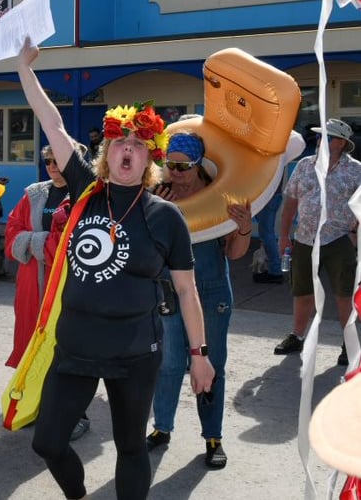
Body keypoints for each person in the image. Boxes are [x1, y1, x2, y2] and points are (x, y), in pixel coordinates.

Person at [16, 39, 215, 500]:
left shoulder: (167, 217)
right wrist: (25, 69)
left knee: (130, 448)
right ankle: (78, 495)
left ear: (151, 159)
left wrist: (199, 355)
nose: (127, 152)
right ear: (107, 153)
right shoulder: (87, 191)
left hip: (135, 353)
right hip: (76, 348)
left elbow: (187, 292)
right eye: (119, 144)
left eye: (138, 146)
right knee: (47, 442)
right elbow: (52, 122)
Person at [146, 132, 252, 469]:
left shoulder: (220, 197)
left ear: (198, 166)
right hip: (170, 289)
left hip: (211, 290)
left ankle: (213, 437)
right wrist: (154, 212)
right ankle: (162, 428)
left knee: (211, 363)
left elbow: (235, 254)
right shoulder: (156, 196)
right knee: (170, 363)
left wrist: (244, 229)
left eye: (182, 166)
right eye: (170, 164)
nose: (175, 172)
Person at [4, 143, 93, 441]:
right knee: (33, 343)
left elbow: (71, 245)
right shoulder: (34, 193)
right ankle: (34, 404)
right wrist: (45, 242)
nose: (53, 166)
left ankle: (75, 414)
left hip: (70, 286)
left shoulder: (86, 195)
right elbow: (12, 233)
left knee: (67, 348)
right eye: (48, 161)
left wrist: (35, 243)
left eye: (58, 161)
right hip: (33, 284)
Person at [274, 118, 361, 366]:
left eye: (329, 137)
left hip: (339, 240)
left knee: (344, 294)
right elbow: (290, 201)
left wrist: (355, 236)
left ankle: (349, 343)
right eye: (321, 136)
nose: (322, 141)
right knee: (302, 291)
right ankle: (297, 336)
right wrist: (284, 236)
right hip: (304, 239)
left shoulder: (356, 170)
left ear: (343, 143)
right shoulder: (304, 165)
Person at [252, 131, 306, 284]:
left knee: (266, 234)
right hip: (271, 197)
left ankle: (276, 271)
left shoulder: (270, 157)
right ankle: (273, 267)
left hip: (267, 198)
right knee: (266, 234)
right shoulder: (277, 156)